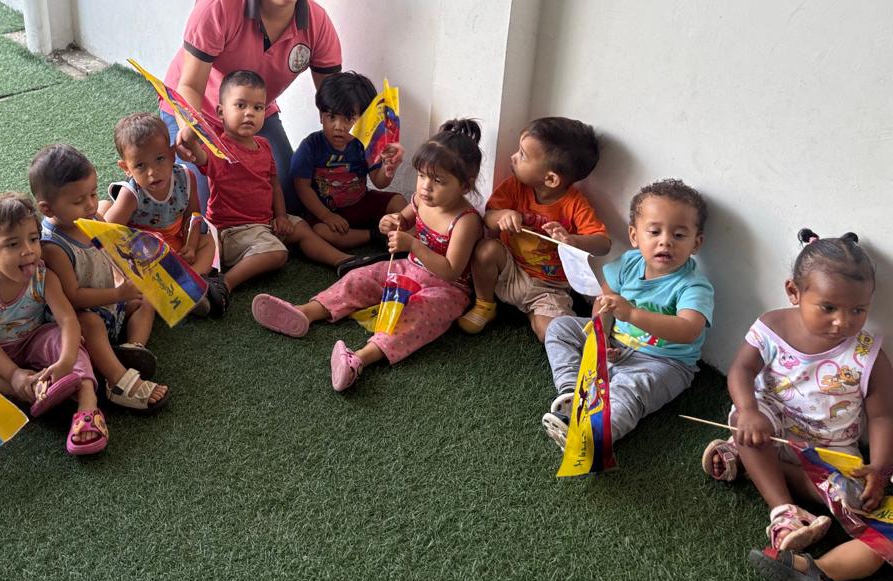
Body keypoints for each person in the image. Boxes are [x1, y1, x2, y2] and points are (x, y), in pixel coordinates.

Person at [712, 231, 890, 581]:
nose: (843, 322)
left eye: (858, 310)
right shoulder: (772, 327)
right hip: (773, 424)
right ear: (794, 292)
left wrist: (879, 466)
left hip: (831, 447)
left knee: (852, 497)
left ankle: (746, 463)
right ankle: (784, 512)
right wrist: (749, 409)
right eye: (829, 307)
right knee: (745, 426)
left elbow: (882, 415)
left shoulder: (868, 353)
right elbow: (741, 370)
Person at [251, 119, 484, 391]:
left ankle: (359, 359)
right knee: (360, 277)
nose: (425, 187)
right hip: (409, 269)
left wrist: (414, 246)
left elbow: (451, 271)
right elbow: (403, 219)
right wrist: (391, 221)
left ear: (465, 186)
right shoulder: (422, 199)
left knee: (415, 314)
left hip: (446, 290)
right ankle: (305, 312)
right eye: (422, 176)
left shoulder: (466, 221)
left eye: (438, 181)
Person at [164, 0, 343, 210]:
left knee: (289, 201)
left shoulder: (318, 24)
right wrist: (190, 130)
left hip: (254, 113)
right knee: (211, 208)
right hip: (198, 111)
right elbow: (190, 85)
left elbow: (336, 103)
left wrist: (375, 148)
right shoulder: (219, 3)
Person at [540, 179, 714, 449]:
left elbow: (689, 330)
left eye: (679, 235)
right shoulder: (629, 263)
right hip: (616, 341)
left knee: (627, 391)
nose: (665, 241)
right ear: (634, 236)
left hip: (663, 362)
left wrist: (632, 315)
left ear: (696, 243)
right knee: (560, 327)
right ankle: (572, 392)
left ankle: (591, 438)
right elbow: (604, 300)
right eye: (654, 232)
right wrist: (600, 337)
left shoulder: (693, 286)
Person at [180, 70, 373, 295]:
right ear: (221, 112)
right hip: (233, 230)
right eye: (240, 105)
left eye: (258, 107)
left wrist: (281, 216)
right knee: (278, 254)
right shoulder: (217, 150)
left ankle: (343, 261)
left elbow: (274, 185)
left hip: (265, 222)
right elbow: (198, 154)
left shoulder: (264, 145)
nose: (249, 113)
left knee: (301, 227)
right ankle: (224, 283)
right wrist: (190, 135)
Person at [0, 193, 106, 455]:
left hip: (32, 340)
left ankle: (87, 400)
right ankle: (24, 392)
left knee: (64, 336)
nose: (28, 250)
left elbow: (67, 320)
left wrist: (65, 361)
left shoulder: (43, 276)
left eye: (33, 239)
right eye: (12, 244)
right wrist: (13, 374)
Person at [32, 144, 171, 413]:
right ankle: (117, 381)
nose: (90, 205)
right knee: (91, 323)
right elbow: (73, 297)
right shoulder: (53, 246)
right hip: (81, 322)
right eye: (78, 201)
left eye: (93, 194)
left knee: (146, 297)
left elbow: (113, 250)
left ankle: (133, 348)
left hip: (110, 306)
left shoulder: (92, 217)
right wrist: (118, 294)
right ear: (47, 209)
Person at [460, 116, 611, 340]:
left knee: (550, 332)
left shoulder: (575, 204)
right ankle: (485, 304)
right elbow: (488, 217)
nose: (513, 157)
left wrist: (573, 240)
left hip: (549, 286)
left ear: (550, 179)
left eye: (522, 155)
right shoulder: (514, 186)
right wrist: (503, 215)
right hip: (510, 269)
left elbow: (603, 244)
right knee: (486, 249)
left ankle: (535, 314)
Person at [101, 111, 228, 316]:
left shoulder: (185, 177)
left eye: (159, 159)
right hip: (144, 253)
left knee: (211, 241)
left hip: (175, 245)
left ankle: (190, 285)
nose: (152, 172)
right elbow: (103, 233)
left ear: (171, 154)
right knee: (104, 210)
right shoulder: (131, 194)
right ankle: (171, 291)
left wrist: (191, 245)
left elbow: (193, 216)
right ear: (126, 168)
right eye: (140, 165)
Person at [290, 70, 407, 255]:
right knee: (320, 231)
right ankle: (374, 235)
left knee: (398, 201)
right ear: (321, 116)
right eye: (331, 117)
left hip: (361, 202)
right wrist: (327, 216)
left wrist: (389, 167)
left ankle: (409, 239)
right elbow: (302, 187)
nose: (338, 126)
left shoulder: (365, 145)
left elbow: (379, 182)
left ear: (364, 120)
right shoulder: (310, 146)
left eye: (349, 119)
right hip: (327, 211)